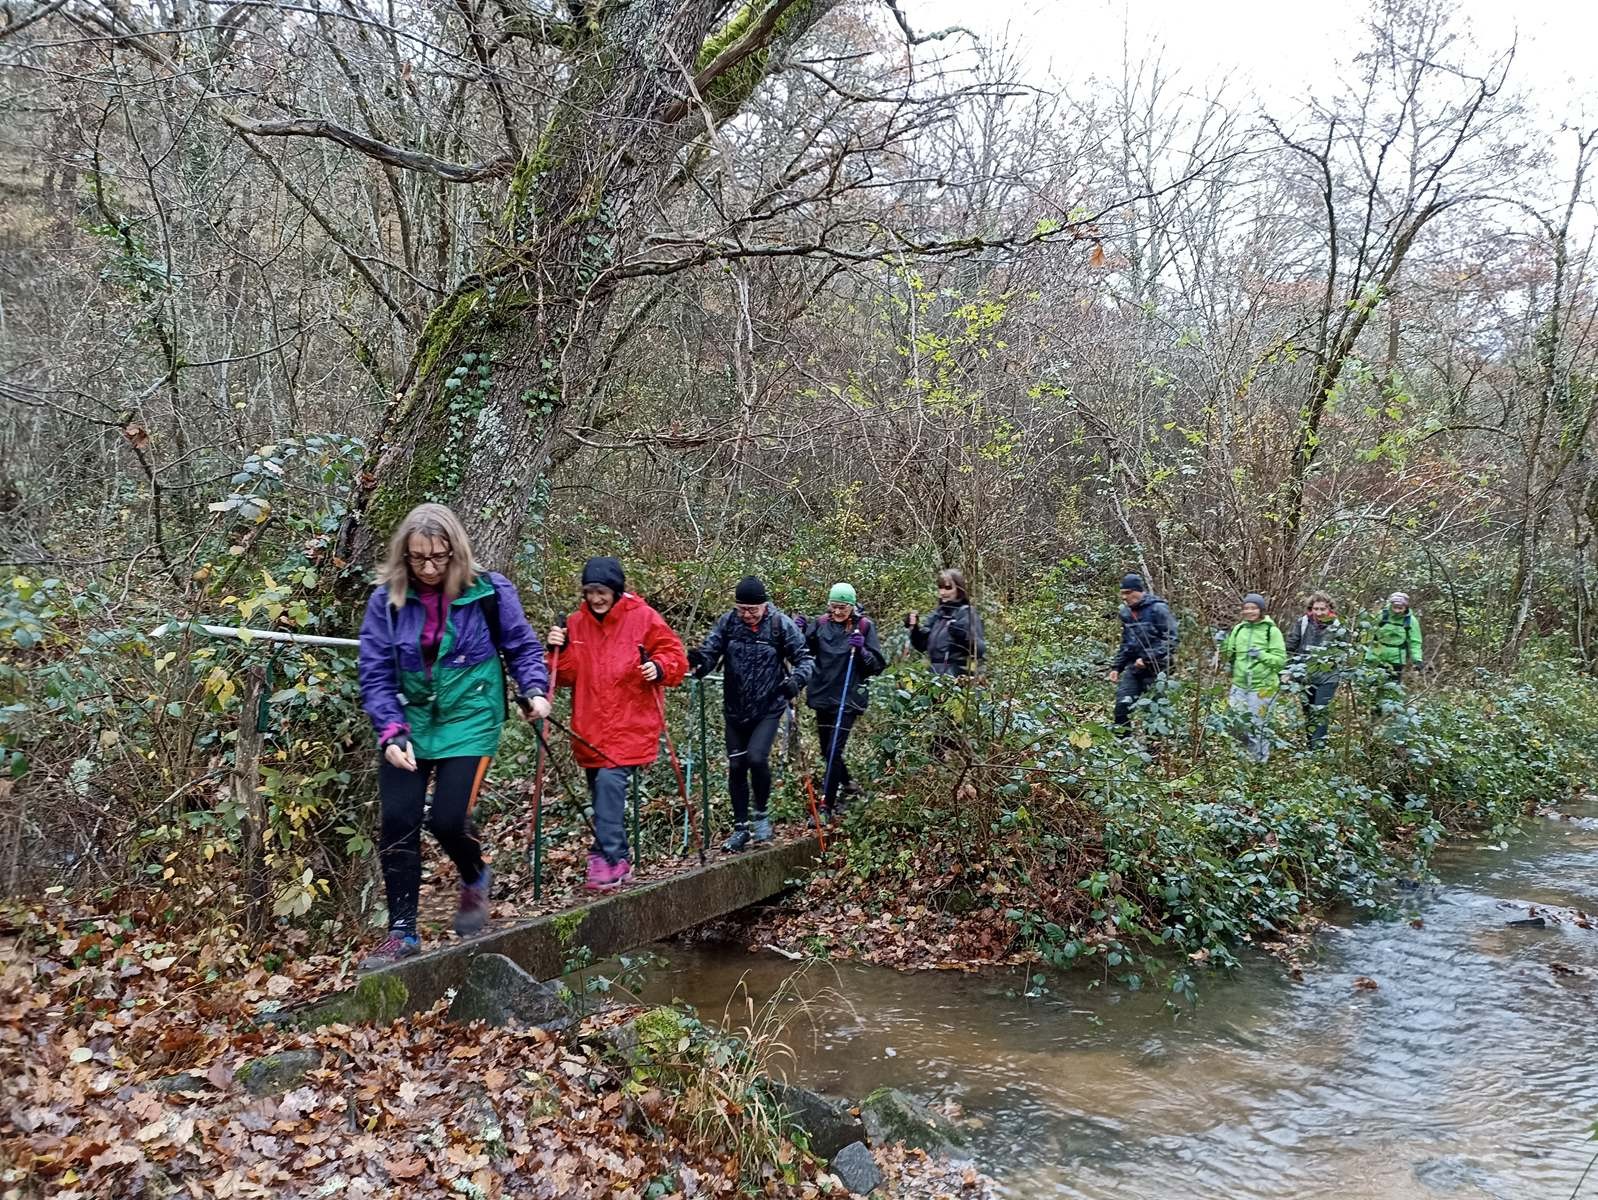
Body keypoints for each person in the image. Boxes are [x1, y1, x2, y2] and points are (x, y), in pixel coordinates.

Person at [356, 503, 549, 968]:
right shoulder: (387, 600)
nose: (428, 568)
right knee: (398, 820)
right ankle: (402, 931)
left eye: (438, 557)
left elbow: (521, 645)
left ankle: (475, 873)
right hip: (411, 721)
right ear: (404, 556)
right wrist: (391, 731)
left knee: (446, 820)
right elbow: (375, 671)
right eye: (418, 559)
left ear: (455, 552)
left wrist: (535, 689)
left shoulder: (489, 592)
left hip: (471, 717)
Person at [546, 557, 687, 891]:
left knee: (609, 784)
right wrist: (559, 648)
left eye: (602, 591)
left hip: (631, 724)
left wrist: (658, 667)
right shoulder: (575, 623)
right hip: (590, 726)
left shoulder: (644, 618)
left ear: (616, 590)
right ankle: (620, 859)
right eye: (590, 591)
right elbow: (565, 676)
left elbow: (676, 657)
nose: (596, 598)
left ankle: (605, 858)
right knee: (601, 795)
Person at [688, 576, 813, 852]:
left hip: (769, 706)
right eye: (741, 608)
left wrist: (795, 682)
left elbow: (805, 659)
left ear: (764, 606)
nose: (746, 615)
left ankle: (761, 814)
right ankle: (741, 828)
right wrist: (699, 662)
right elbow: (711, 652)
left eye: (752, 610)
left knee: (756, 758)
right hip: (735, 708)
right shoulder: (728, 623)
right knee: (736, 766)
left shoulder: (780, 625)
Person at [795, 583, 886, 819]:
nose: (837, 612)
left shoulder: (864, 626)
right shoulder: (821, 624)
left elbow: (876, 666)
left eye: (842, 607)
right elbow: (804, 652)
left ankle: (827, 806)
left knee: (834, 751)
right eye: (834, 607)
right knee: (827, 752)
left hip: (848, 697)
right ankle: (849, 784)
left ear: (852, 606)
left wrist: (863, 651)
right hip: (823, 694)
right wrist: (799, 633)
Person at [1217, 592, 1286, 762]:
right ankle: (1243, 760)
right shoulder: (1239, 629)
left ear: (1261, 610)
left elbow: (1280, 661)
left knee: (1258, 726)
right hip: (1240, 684)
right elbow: (1228, 656)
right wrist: (1222, 643)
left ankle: (1259, 764)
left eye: (1253, 608)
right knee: (1235, 722)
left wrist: (1261, 655)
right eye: (1246, 608)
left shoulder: (1272, 631)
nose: (1249, 611)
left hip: (1263, 686)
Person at [1107, 573, 1178, 731]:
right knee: (1121, 706)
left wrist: (1147, 659)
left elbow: (1171, 640)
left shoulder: (1158, 609)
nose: (1124, 597)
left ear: (1138, 591)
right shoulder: (1127, 614)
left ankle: (1155, 750)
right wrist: (1116, 667)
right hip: (1134, 668)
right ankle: (1123, 747)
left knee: (1154, 712)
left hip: (1158, 669)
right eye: (1122, 593)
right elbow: (1127, 643)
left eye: (1128, 592)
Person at [1283, 590, 1346, 748]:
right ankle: (1311, 746)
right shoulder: (1303, 623)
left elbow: (1343, 651)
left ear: (1329, 609)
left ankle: (1318, 750)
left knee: (1320, 713)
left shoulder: (1338, 626)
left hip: (1328, 677)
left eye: (1322, 609)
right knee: (1309, 713)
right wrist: (1288, 671)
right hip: (1305, 676)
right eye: (1316, 609)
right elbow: (1291, 647)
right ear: (1311, 609)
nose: (1318, 612)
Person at [907, 568, 985, 677]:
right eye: (940, 587)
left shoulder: (966, 612)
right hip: (934, 675)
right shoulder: (938, 614)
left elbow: (979, 650)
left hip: (958, 675)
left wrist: (960, 634)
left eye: (948, 588)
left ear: (959, 589)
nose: (943, 592)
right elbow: (921, 645)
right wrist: (914, 628)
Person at [1370, 591, 1423, 682]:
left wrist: (1417, 660)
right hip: (1376, 656)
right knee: (1371, 685)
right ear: (1391, 605)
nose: (1397, 611)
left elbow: (1415, 642)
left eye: (1400, 608)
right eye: (1395, 607)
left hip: (1396, 659)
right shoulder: (1381, 615)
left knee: (1392, 687)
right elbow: (1368, 634)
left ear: (1406, 607)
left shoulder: (1411, 621)